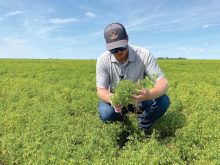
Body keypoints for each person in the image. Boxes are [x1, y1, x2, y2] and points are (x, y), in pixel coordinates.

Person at [96, 22, 170, 134]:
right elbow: (101, 90)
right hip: (118, 103)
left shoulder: (144, 54)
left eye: (121, 47)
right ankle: (121, 123)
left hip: (140, 101)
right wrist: (112, 99)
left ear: (127, 39)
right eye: (113, 50)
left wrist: (149, 94)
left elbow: (163, 83)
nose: (119, 52)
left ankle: (141, 127)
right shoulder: (103, 60)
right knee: (106, 112)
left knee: (163, 101)